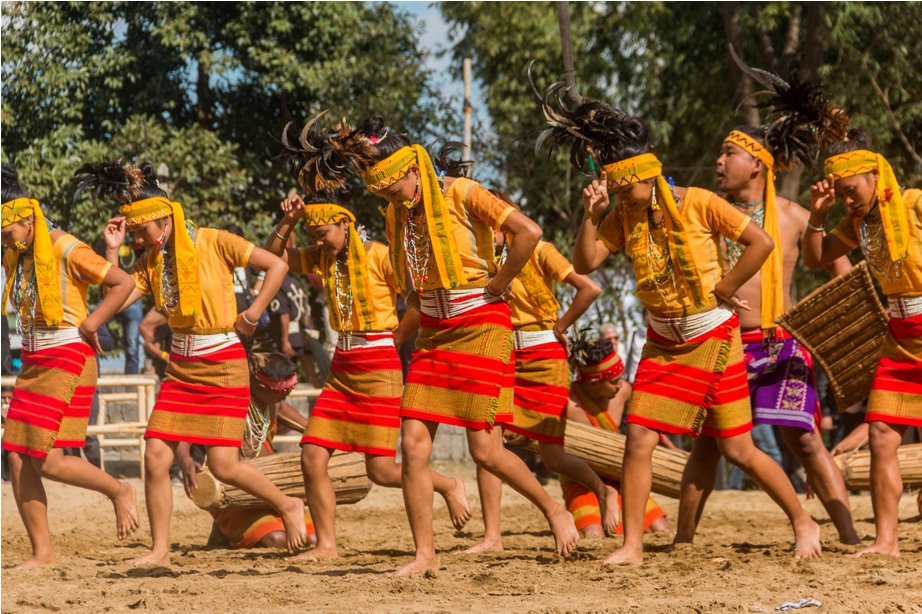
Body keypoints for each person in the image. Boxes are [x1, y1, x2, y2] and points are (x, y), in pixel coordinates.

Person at [531, 75, 822, 564]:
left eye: (626, 189)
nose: (621, 197)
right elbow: (584, 264)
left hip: (714, 337)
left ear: (647, 175)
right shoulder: (623, 214)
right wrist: (590, 215)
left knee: (739, 451)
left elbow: (762, 243)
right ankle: (633, 546)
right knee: (639, 438)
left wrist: (726, 289)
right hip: (663, 342)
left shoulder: (701, 203)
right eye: (616, 191)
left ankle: (803, 520)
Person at [339, 116, 579, 575]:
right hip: (434, 331)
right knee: (412, 445)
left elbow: (528, 232)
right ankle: (424, 556)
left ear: (413, 168)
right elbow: (406, 276)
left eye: (395, 191)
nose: (392, 201)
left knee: (486, 450)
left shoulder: (463, 192)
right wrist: (418, 299)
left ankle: (553, 509)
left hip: (482, 323)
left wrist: (498, 284)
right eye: (384, 197)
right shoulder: (397, 213)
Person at [76, 160, 309, 566]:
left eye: (142, 231)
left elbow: (278, 265)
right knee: (155, 455)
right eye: (134, 233)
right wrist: (112, 250)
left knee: (224, 464)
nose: (140, 239)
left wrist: (252, 315)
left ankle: (288, 505)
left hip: (223, 363)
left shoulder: (216, 241)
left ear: (164, 219)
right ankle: (160, 551)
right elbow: (121, 294)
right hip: (180, 370)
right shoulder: (152, 261)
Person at [266, 116, 472, 562]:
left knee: (380, 470)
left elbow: (416, 301)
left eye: (323, 233)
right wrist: (288, 220)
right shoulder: (323, 260)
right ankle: (327, 545)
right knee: (312, 454)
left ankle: (449, 484)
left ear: (344, 223)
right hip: (342, 370)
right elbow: (273, 257)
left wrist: (394, 340)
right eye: (313, 236)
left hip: (379, 368)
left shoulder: (380, 255)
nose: (318, 241)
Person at [669, 74, 859, 545]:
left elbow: (843, 273)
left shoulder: (794, 216)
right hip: (723, 341)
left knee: (808, 441)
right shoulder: (707, 212)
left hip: (781, 344)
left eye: (727, 154)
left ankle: (852, 538)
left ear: (756, 164)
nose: (717, 162)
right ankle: (682, 542)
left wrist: (843, 330)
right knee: (708, 447)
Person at [465, 188, 620, 553]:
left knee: (552, 457)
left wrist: (560, 327)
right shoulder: (483, 257)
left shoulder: (540, 249)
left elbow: (589, 287)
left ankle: (603, 489)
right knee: (489, 441)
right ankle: (492, 537)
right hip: (504, 355)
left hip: (545, 358)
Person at [1, 164, 140, 569]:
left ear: (27, 219)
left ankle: (119, 490)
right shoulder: (16, 252)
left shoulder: (64, 246)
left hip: (68, 355)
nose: (3, 241)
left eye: (6, 233)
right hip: (34, 359)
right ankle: (43, 553)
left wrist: (92, 322)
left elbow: (122, 283)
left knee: (47, 459)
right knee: (15, 454)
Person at [803, 127, 922, 556]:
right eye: (841, 193)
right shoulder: (857, 222)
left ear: (875, 175)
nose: (849, 200)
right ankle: (886, 541)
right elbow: (816, 257)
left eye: (851, 190)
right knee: (882, 435)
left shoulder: (915, 204)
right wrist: (817, 214)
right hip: (901, 338)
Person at [177, 352, 317, 550]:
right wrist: (186, 461)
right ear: (260, 387)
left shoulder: (274, 402)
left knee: (312, 540)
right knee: (278, 540)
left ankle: (223, 534)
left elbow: (311, 429)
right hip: (236, 492)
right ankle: (229, 527)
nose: (284, 398)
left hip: (271, 490)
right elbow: (184, 431)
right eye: (280, 394)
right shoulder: (227, 400)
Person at [565, 336, 669, 536]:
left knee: (662, 529)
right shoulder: (567, 404)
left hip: (619, 475)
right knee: (594, 534)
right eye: (613, 381)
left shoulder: (624, 392)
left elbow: (646, 427)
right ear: (594, 383)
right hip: (581, 480)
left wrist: (674, 451)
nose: (620, 385)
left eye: (621, 378)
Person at [94, 230, 145, 374]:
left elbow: (148, 255)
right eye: (116, 223)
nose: (119, 227)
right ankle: (95, 377)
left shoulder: (137, 240)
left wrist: (138, 243)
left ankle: (131, 388)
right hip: (111, 295)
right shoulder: (106, 240)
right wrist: (109, 244)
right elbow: (96, 261)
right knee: (90, 321)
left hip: (133, 297)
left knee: (132, 346)